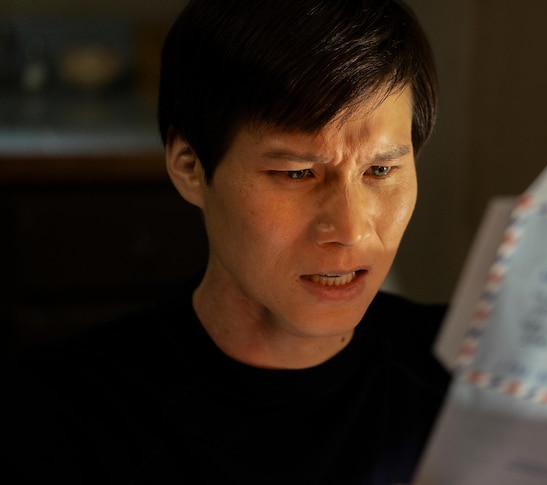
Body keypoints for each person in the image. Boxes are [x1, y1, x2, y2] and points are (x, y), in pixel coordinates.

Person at [2, 0, 450, 483]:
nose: (351, 229)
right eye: (297, 173)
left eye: (380, 170)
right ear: (189, 167)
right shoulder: (63, 414)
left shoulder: (472, 376)